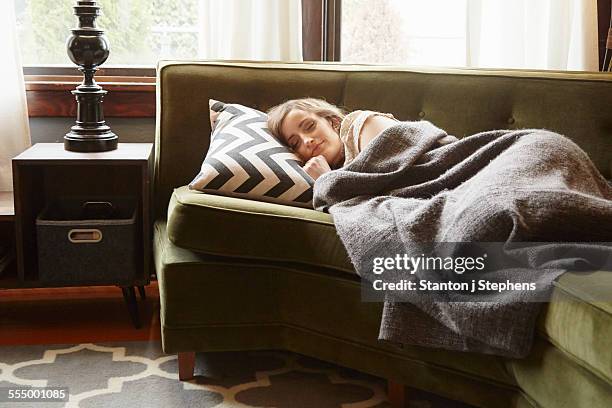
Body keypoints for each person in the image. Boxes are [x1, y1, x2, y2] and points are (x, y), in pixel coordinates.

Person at [267, 98, 403, 180]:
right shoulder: (331, 172)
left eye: (309, 126)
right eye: (295, 143)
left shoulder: (362, 124)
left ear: (333, 122)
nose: (307, 140)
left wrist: (327, 179)